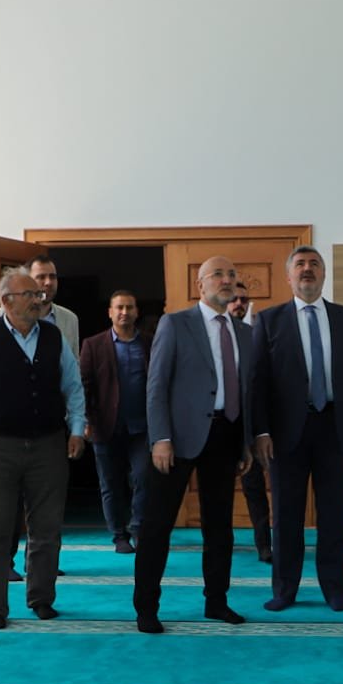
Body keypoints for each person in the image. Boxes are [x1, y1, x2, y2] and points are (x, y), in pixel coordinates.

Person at [0, 267, 87, 628]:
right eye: (30, 295)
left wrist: (77, 430)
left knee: (47, 529)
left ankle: (41, 598)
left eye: (38, 295)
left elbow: (74, 387)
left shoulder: (54, 337)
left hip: (49, 446)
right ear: (7, 301)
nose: (38, 300)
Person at [250, 245, 343, 612]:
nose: (307, 269)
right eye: (300, 264)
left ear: (324, 274)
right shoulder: (269, 320)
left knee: (334, 516)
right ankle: (284, 590)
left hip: (336, 428)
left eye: (314, 264)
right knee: (285, 516)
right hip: (285, 434)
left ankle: (335, 590)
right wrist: (260, 432)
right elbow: (257, 383)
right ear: (289, 276)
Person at [134, 255, 256, 634]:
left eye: (231, 274)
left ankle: (216, 601)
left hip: (226, 436)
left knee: (219, 527)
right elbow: (156, 385)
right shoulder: (176, 324)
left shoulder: (244, 333)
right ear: (200, 285)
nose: (226, 279)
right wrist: (161, 438)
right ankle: (146, 608)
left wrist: (246, 443)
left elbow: (247, 394)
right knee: (157, 526)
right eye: (217, 274)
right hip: (176, 439)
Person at [7, 254, 79, 581]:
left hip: (52, 421)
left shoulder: (69, 319)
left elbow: (73, 372)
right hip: (12, 424)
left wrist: (76, 422)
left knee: (48, 498)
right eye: (40, 277)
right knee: (10, 499)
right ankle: (5, 561)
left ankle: (43, 561)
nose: (47, 283)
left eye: (52, 276)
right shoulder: (1, 316)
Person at [78, 289, 153, 554]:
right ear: (110, 312)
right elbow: (84, 385)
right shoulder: (93, 345)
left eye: (129, 307)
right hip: (105, 426)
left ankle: (139, 528)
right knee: (110, 483)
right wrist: (85, 420)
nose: (124, 312)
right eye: (119, 307)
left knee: (144, 478)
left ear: (137, 312)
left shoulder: (150, 343)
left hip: (142, 427)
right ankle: (119, 535)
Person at [229, 278, 273, 564]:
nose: (239, 304)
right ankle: (220, 544)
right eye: (234, 299)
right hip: (222, 426)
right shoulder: (213, 335)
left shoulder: (260, 334)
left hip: (254, 427)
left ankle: (264, 546)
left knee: (256, 490)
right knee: (218, 492)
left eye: (243, 300)